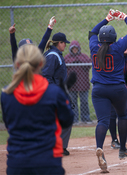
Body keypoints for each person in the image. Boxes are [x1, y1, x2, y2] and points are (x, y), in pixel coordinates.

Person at [1, 44, 74, 175]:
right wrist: (64, 96)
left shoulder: (6, 94)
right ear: (41, 63)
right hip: (48, 162)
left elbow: (9, 124)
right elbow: (67, 121)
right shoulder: (53, 93)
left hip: (17, 163)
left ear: (17, 64)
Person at [89, 9, 127, 173]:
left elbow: (93, 32)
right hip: (117, 88)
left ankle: (99, 147)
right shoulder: (117, 47)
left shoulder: (94, 46)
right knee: (123, 115)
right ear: (114, 38)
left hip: (99, 90)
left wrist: (106, 19)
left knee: (102, 121)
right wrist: (125, 17)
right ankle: (123, 148)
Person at [42, 31, 72, 156]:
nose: (65, 45)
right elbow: (46, 76)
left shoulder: (55, 54)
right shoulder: (53, 55)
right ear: (59, 43)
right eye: (64, 43)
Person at [64, 40, 92, 124]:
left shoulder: (83, 56)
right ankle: (74, 119)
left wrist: (78, 59)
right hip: (72, 85)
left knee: (84, 101)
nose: (75, 50)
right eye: (73, 49)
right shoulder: (67, 58)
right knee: (73, 102)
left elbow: (89, 65)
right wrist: (74, 60)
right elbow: (64, 66)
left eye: (76, 48)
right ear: (70, 49)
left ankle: (85, 118)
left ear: (79, 48)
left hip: (83, 84)